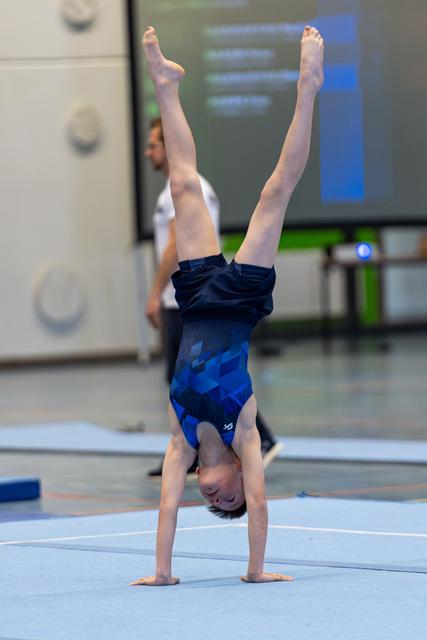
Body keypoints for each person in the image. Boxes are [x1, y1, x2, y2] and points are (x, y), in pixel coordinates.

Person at [131, 24, 324, 586]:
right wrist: (255, 571)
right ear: (243, 477)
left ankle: (165, 85)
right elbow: (261, 511)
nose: (216, 501)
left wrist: (163, 573)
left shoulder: (182, 436)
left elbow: (166, 508)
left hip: (193, 302)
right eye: (228, 504)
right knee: (276, 191)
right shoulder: (245, 434)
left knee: (184, 186)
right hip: (238, 304)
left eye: (212, 507)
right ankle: (307, 88)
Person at [144, 118, 282, 477]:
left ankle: (249, 438)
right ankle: (189, 444)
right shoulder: (180, 190)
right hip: (190, 296)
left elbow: (176, 245)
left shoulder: (185, 190)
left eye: (155, 145)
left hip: (187, 299)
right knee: (201, 379)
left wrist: (155, 292)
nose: (149, 152)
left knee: (197, 378)